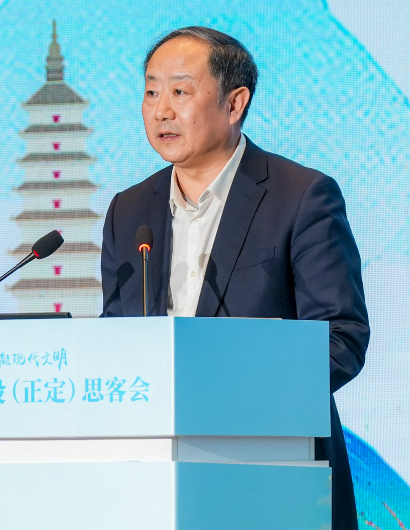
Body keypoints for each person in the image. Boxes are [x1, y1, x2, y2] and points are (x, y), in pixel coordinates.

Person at [100, 26, 369, 529]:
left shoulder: (301, 196)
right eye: (151, 92)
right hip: (155, 485)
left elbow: (341, 339)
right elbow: (117, 340)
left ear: (234, 103)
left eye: (180, 91)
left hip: (275, 476)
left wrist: (228, 394)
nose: (161, 110)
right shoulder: (128, 210)